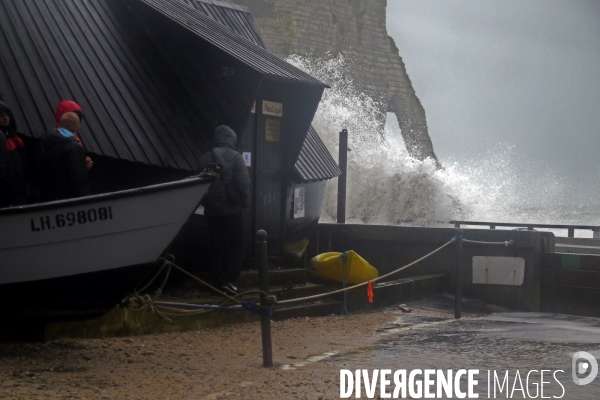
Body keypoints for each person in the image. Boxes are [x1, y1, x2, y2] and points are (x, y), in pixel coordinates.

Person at [197, 125, 250, 294]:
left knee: (216, 245)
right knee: (237, 244)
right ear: (232, 140)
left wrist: (208, 204)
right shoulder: (236, 158)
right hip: (233, 210)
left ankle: (217, 281)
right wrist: (244, 203)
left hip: (213, 212)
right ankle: (230, 280)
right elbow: (243, 184)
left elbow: (199, 187)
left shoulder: (204, 159)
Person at [38, 111, 90, 201]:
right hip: (67, 203)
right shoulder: (74, 148)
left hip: (46, 200)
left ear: (59, 125)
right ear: (77, 129)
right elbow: (78, 181)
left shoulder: (44, 142)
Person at [0, 101, 30, 206]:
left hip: (20, 193)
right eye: (1, 115)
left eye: (7, 114)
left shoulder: (17, 141)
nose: (5, 117)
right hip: (8, 198)